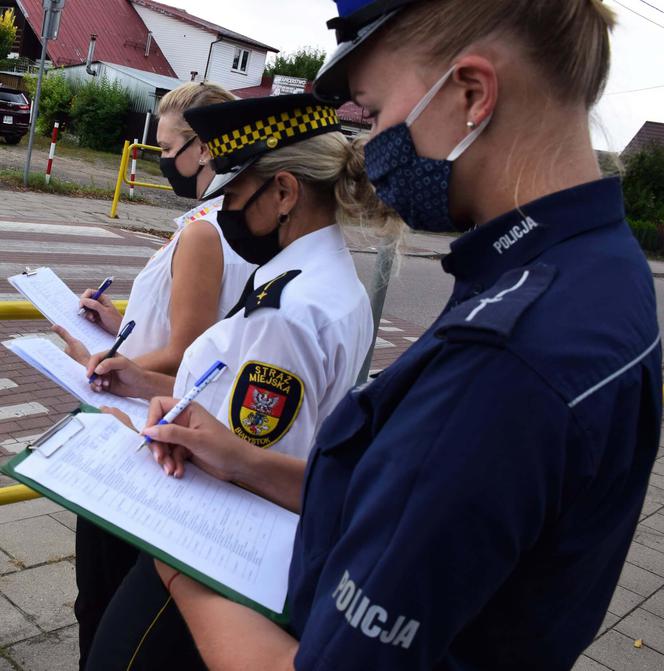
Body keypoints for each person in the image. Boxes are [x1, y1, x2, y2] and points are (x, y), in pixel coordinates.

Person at [87, 1, 663, 669]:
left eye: (377, 108)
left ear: (472, 93)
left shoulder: (504, 360)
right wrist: (240, 458)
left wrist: (169, 542)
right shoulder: (596, 268)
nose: (370, 140)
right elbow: (400, 493)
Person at [83, 92, 394, 669]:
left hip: (205, 556)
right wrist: (147, 390)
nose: (224, 212)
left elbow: (244, 461)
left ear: (283, 192)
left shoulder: (289, 310)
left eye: (234, 194)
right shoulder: (319, 281)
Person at [62, 82, 257, 669]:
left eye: (169, 146)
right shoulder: (225, 221)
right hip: (158, 418)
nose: (162, 159)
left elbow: (188, 351)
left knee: (101, 593)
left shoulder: (207, 229)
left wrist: (96, 363)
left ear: (204, 147)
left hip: (140, 427)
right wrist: (121, 322)